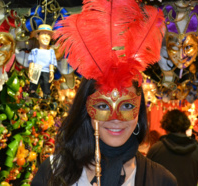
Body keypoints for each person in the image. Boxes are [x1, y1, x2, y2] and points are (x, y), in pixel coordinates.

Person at [32, 0, 177, 185]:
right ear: (86, 111)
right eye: (102, 105)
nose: (115, 117)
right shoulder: (53, 172)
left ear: (138, 113)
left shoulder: (161, 180)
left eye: (126, 105)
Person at [147, 109, 198, 186]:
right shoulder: (196, 150)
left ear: (165, 127)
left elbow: (145, 176)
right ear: (186, 126)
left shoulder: (156, 149)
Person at [28, 24, 57, 99]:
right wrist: (30, 70)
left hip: (46, 70)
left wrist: (51, 71)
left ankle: (46, 94)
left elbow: (51, 62)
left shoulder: (51, 52)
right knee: (34, 81)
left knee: (46, 82)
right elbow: (32, 61)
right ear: (37, 36)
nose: (46, 37)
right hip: (36, 68)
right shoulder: (35, 51)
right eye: (44, 34)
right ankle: (32, 92)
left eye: (48, 35)